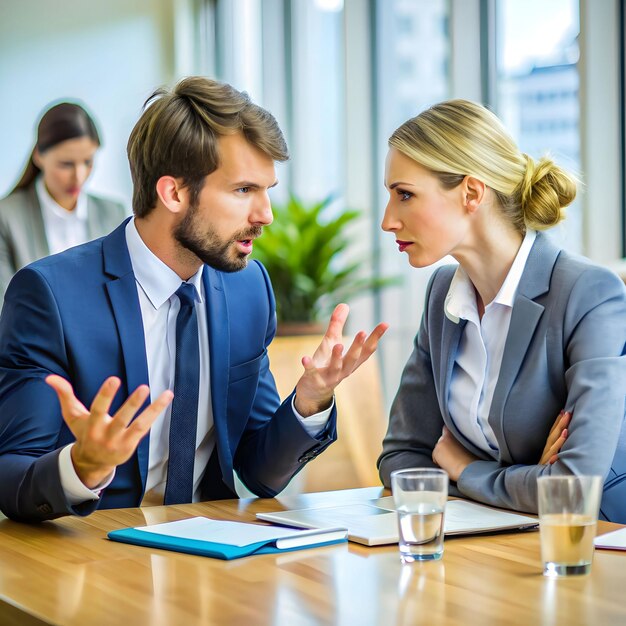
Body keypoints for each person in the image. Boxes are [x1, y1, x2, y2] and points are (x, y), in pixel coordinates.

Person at [0, 77, 388, 522]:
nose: (266, 215)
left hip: (212, 558)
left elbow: (260, 472)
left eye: (267, 190)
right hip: (94, 555)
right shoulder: (50, 295)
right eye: (244, 190)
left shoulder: (247, 289)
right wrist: (80, 468)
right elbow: (12, 475)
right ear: (174, 193)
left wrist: (308, 401)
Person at [377, 99, 626, 522]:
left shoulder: (588, 293)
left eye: (405, 195)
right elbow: (400, 458)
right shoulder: (442, 296)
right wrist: (524, 479)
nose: (388, 220)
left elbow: (573, 486)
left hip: (590, 547)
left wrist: (464, 468)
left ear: (472, 193)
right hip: (488, 544)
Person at [0, 101, 126, 302]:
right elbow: (5, 309)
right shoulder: (6, 217)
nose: (79, 176)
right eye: (66, 164)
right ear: (39, 156)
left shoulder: (114, 214)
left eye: (87, 162)